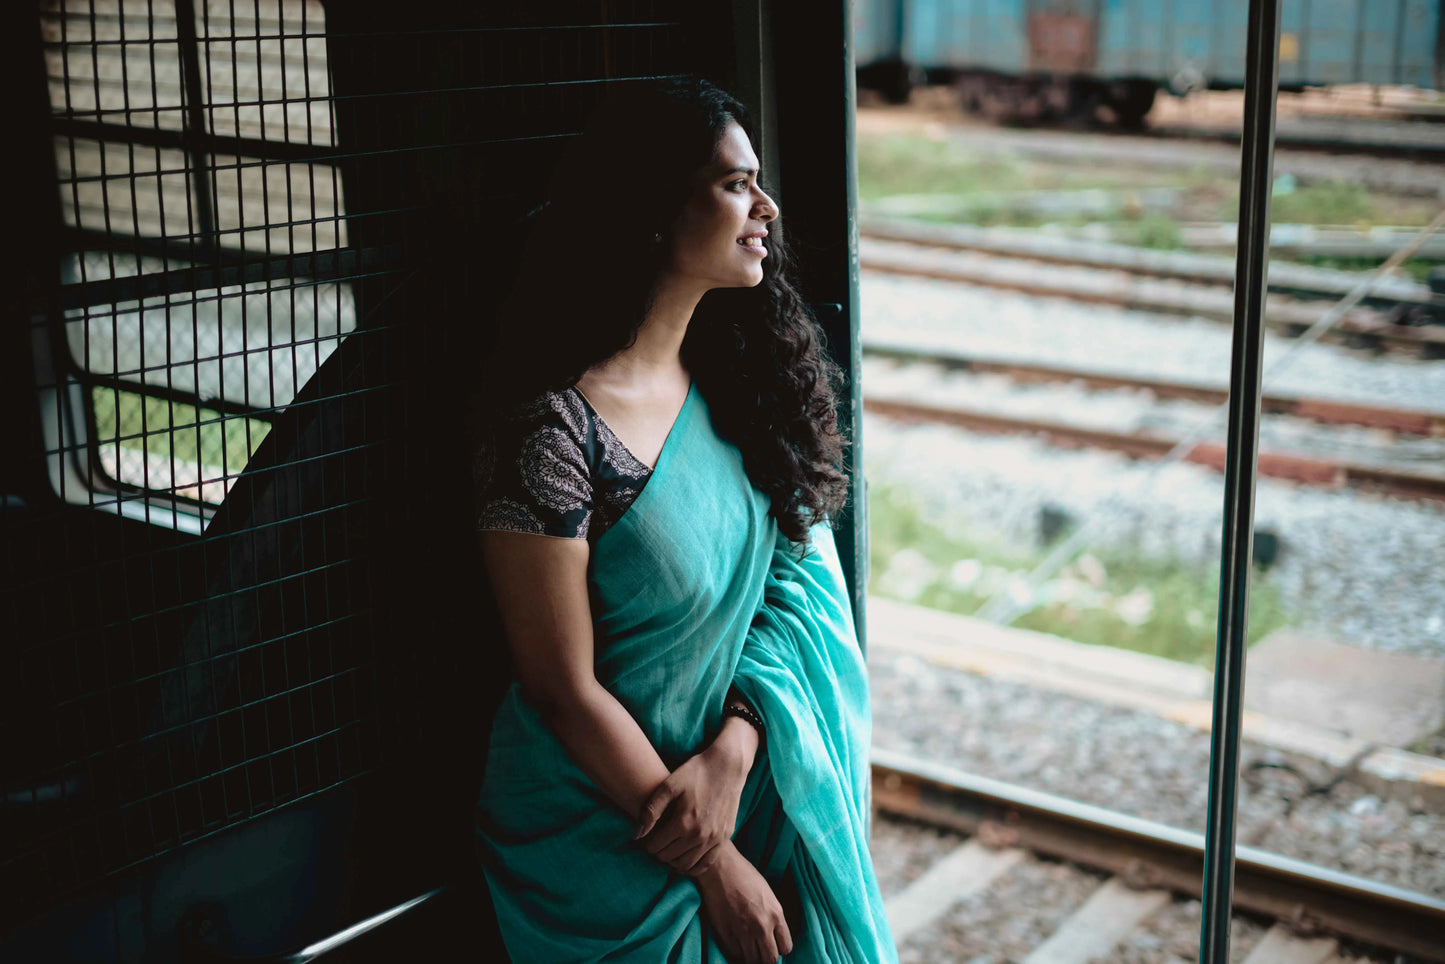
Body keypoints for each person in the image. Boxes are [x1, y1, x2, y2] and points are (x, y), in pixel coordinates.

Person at [470, 76, 898, 964]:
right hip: (600, 829)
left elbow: (791, 592)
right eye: (736, 183)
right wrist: (712, 863)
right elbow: (562, 689)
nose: (767, 206)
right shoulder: (547, 427)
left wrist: (736, 751)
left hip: (726, 792)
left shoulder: (738, 390)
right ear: (656, 205)